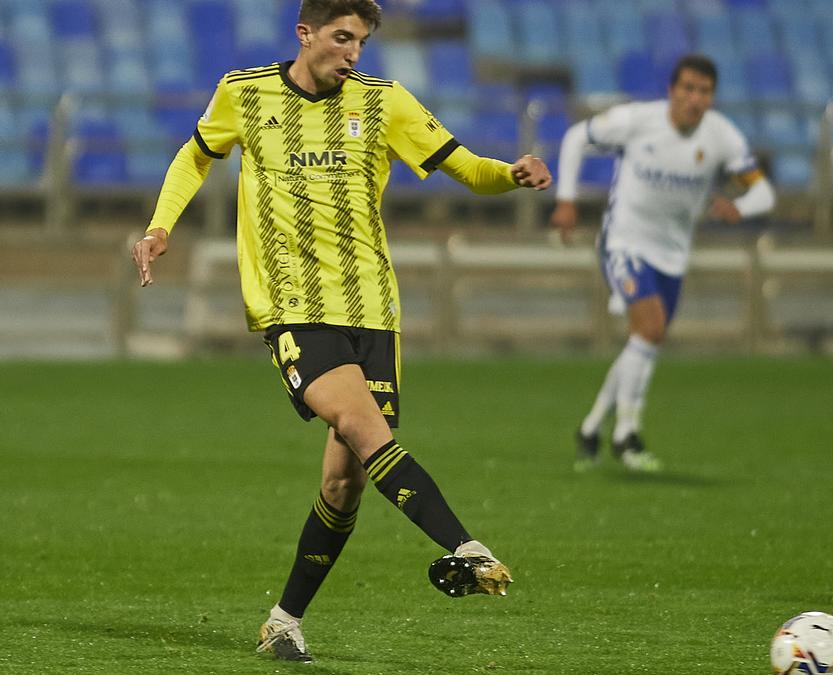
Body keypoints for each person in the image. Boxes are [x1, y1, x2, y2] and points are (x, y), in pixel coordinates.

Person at [130, 0, 551, 662]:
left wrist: (510, 174)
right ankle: (465, 546)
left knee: (345, 482)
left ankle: (283, 621)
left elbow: (464, 166)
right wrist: (160, 226)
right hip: (295, 309)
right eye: (341, 37)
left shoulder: (384, 102)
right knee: (364, 427)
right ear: (306, 34)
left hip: (373, 312)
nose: (353, 52)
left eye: (362, 41)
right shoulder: (245, 93)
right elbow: (195, 155)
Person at [550, 54, 775, 472]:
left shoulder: (722, 136)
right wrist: (566, 200)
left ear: (711, 97)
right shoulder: (638, 121)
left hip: (672, 254)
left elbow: (763, 192)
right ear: (672, 90)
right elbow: (576, 137)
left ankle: (592, 426)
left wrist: (740, 209)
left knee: (644, 342)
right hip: (623, 243)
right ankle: (627, 434)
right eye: (687, 88)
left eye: (703, 91)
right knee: (649, 330)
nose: (694, 98)